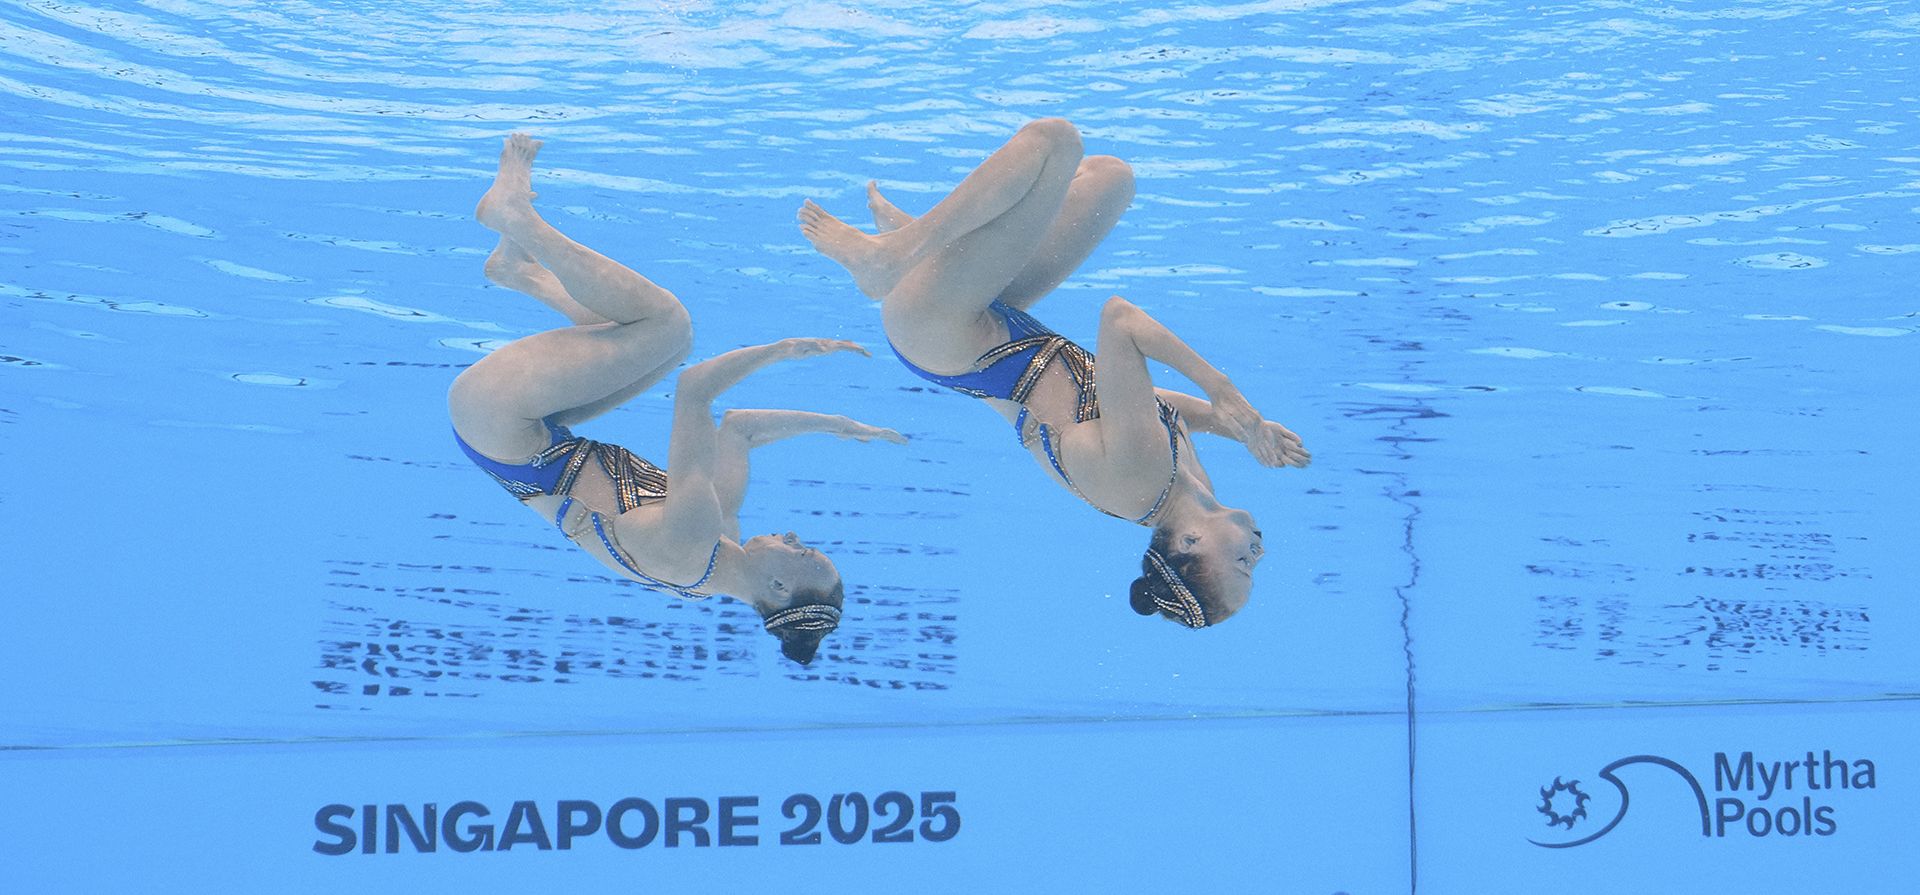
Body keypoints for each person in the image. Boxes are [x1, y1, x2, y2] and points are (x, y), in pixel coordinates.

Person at [797, 118, 1309, 629]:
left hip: (942, 330)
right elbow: (1156, 405)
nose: (1258, 556)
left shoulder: (1141, 480)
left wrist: (1223, 391)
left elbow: (1120, 320)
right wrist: (1242, 428)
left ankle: (898, 255)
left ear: (1188, 544)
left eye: (1243, 567)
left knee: (1054, 143)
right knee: (1111, 179)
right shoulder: (1184, 489)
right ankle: (935, 257)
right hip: (997, 315)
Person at [451, 134, 905, 664]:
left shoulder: (691, 540)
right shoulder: (712, 557)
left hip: (499, 419)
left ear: (779, 586)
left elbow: (696, 392)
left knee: (667, 326)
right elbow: (739, 428)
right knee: (657, 350)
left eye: (800, 550)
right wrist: (837, 424)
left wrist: (782, 350)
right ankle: (518, 271)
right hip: (530, 436)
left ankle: (513, 218)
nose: (792, 534)